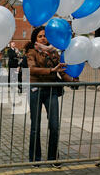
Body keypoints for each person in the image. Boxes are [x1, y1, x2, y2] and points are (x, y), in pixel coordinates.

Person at [25, 26, 78, 167]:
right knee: (35, 126)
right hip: (36, 89)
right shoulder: (32, 51)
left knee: (54, 125)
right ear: (35, 38)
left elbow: (61, 71)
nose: (43, 38)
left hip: (51, 90)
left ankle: (53, 157)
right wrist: (51, 70)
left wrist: (73, 80)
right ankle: (35, 159)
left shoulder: (54, 53)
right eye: (40, 36)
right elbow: (31, 69)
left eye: (45, 36)